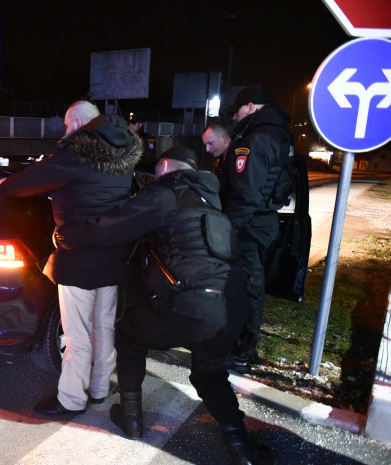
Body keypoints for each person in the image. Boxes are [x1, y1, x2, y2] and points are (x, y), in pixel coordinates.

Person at [56, 146, 271, 464]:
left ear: (166, 168)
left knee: (129, 338)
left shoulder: (166, 193)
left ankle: (131, 420)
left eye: (156, 173)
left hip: (186, 302)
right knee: (211, 376)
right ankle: (243, 452)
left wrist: (67, 236)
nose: (154, 179)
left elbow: (113, 224)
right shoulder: (212, 205)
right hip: (230, 307)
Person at [0, 100, 142, 416]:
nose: (65, 131)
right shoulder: (121, 149)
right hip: (113, 254)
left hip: (79, 259)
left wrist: (3, 185)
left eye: (66, 125)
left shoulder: (76, 150)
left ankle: (72, 399)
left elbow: (30, 181)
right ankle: (100, 389)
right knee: (103, 327)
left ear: (77, 122)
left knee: (77, 335)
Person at [220, 86, 294, 374]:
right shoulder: (279, 134)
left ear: (250, 107)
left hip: (248, 223)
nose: (234, 118)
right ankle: (241, 345)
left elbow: (246, 192)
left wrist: (226, 228)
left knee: (247, 287)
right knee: (249, 284)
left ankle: (243, 350)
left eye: (237, 111)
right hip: (263, 220)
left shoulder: (256, 138)